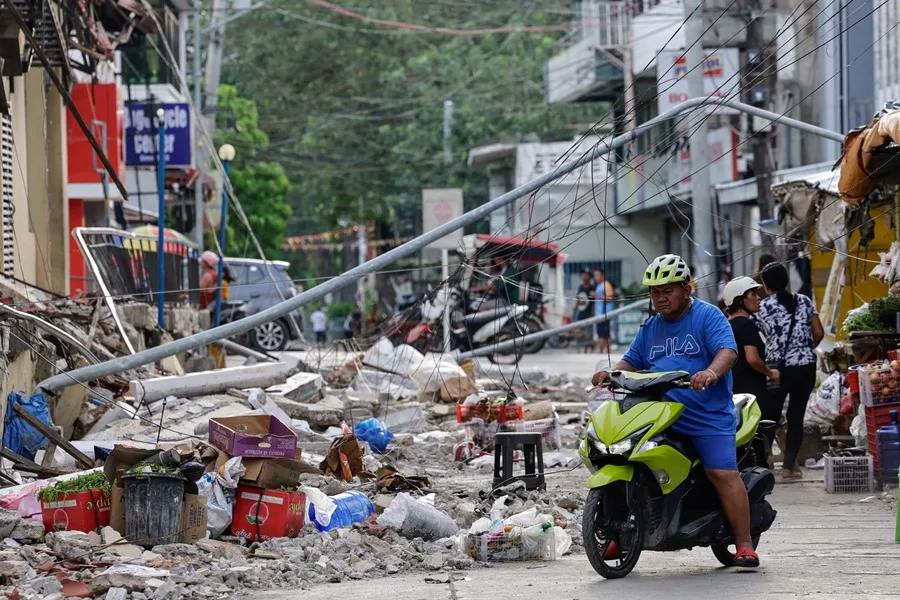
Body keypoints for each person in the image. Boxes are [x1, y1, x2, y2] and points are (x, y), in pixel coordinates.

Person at [590, 254, 759, 568]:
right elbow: (632, 360)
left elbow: (728, 351)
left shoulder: (708, 316)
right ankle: (620, 535)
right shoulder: (651, 326)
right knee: (630, 460)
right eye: (655, 292)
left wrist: (711, 373)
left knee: (721, 472)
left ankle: (745, 543)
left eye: (667, 290)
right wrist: (610, 373)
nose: (660, 297)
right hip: (659, 412)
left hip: (706, 414)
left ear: (686, 288)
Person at [757, 263, 824, 481]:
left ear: (766, 286)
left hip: (778, 368)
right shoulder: (804, 301)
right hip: (805, 367)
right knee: (796, 417)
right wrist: (804, 350)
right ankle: (788, 469)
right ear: (786, 281)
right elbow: (818, 332)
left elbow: (752, 338)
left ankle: (763, 464)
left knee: (770, 418)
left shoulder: (763, 307)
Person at [723, 276, 780, 405]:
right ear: (739, 300)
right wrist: (771, 373)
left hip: (732, 390)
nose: (758, 297)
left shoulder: (726, 325)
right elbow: (752, 358)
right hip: (751, 392)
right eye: (753, 294)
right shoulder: (747, 325)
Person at [593, 268, 615, 353]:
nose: (595, 277)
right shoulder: (599, 285)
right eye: (595, 275)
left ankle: (600, 350)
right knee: (604, 333)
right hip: (599, 313)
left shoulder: (606, 284)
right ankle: (605, 351)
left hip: (604, 313)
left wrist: (597, 295)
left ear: (602, 275)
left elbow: (610, 297)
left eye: (597, 275)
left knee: (602, 333)